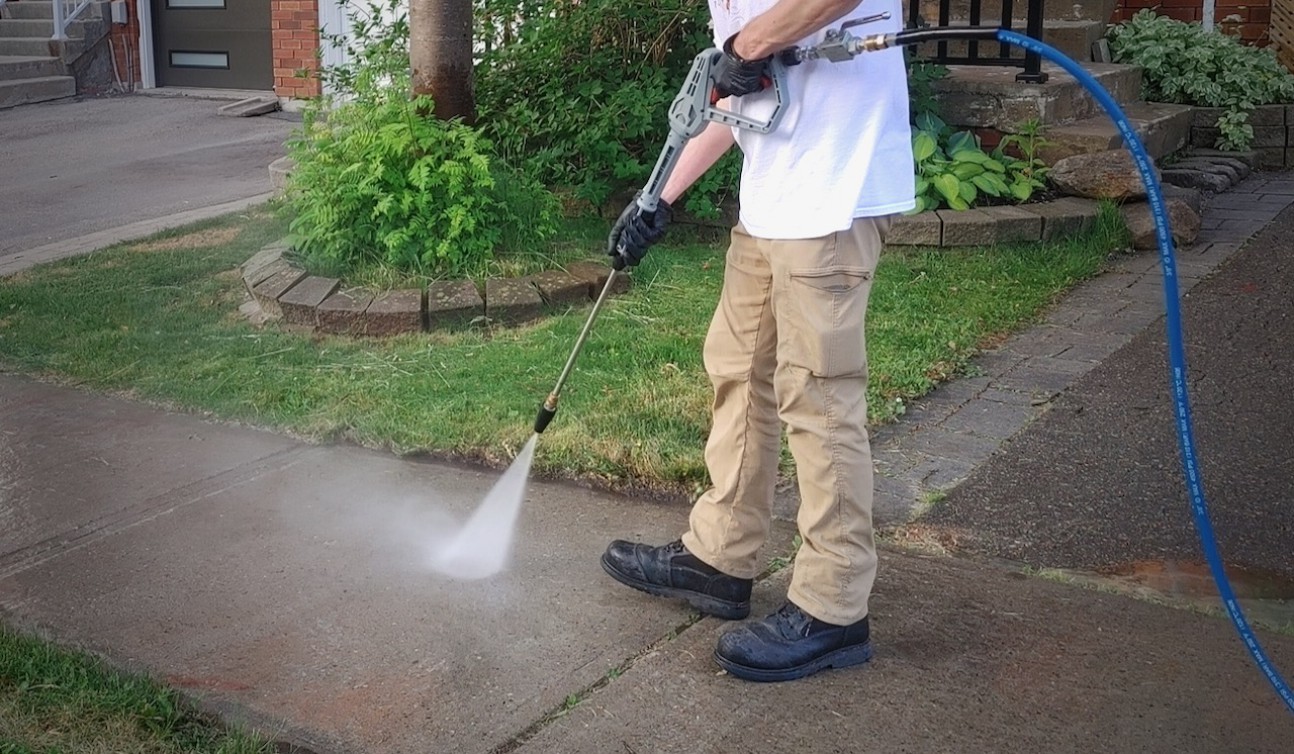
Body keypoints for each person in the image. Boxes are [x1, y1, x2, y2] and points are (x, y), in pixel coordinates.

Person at [600, 0, 915, 683]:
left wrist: (746, 45)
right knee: (738, 368)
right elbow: (734, 90)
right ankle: (722, 555)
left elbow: (758, 46)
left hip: (832, 189)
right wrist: (659, 196)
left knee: (818, 398)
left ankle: (833, 604)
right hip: (774, 191)